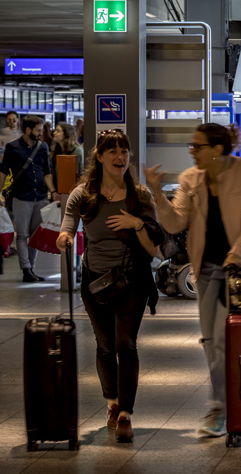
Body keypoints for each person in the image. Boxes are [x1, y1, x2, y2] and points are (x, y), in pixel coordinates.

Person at [144, 124, 241, 438]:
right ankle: (219, 408)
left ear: (217, 148)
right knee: (213, 341)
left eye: (197, 146)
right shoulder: (191, 179)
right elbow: (175, 221)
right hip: (208, 268)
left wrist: (236, 252)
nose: (192, 150)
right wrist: (157, 193)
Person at [57, 130, 163, 443]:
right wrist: (64, 238)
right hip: (95, 281)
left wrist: (138, 224)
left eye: (124, 151)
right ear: (100, 157)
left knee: (125, 344)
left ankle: (126, 414)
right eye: (112, 151)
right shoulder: (83, 194)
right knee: (104, 346)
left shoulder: (139, 195)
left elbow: (155, 249)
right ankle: (112, 404)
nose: (120, 157)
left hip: (132, 280)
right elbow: (67, 227)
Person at [0, 115, 55, 282]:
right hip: (21, 196)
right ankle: (26, 270)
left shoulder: (43, 147)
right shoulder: (13, 147)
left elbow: (47, 172)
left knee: (35, 234)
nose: (40, 133)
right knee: (22, 235)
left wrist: (53, 191)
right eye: (38, 130)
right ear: (28, 130)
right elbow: (3, 171)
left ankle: (31, 268)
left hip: (40, 195)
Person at [50, 122, 85, 200]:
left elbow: (82, 173)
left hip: (73, 194)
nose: (54, 133)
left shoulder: (78, 151)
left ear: (67, 134)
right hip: (58, 195)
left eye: (58, 131)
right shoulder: (55, 152)